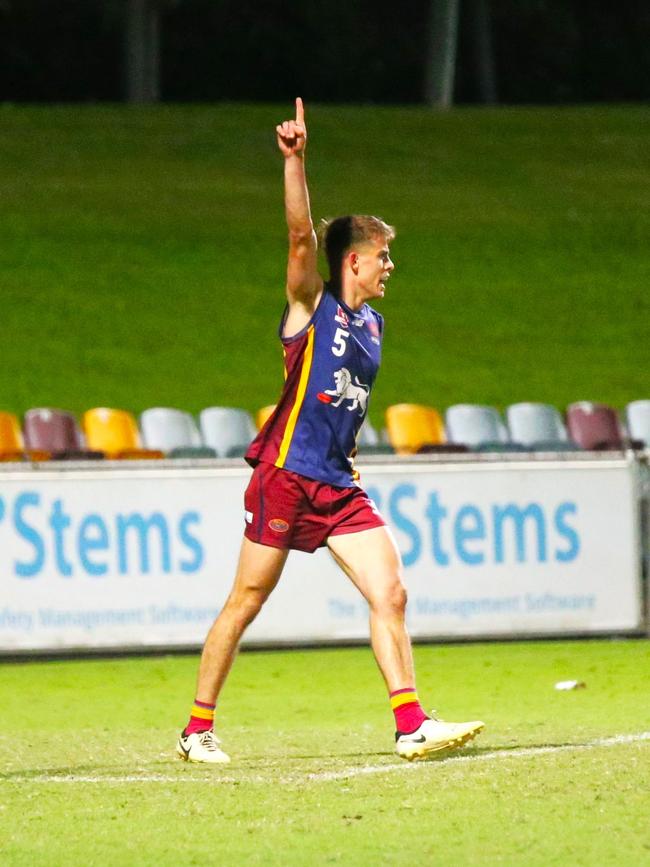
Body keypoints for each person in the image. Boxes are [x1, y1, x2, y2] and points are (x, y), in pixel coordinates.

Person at [176, 98, 484, 764]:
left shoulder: (373, 328)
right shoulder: (308, 308)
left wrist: (347, 455)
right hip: (285, 476)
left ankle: (410, 723)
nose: (389, 266)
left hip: (338, 483)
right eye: (381, 256)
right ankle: (197, 726)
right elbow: (297, 239)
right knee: (248, 598)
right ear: (350, 263)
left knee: (391, 590)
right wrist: (295, 161)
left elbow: (342, 403)